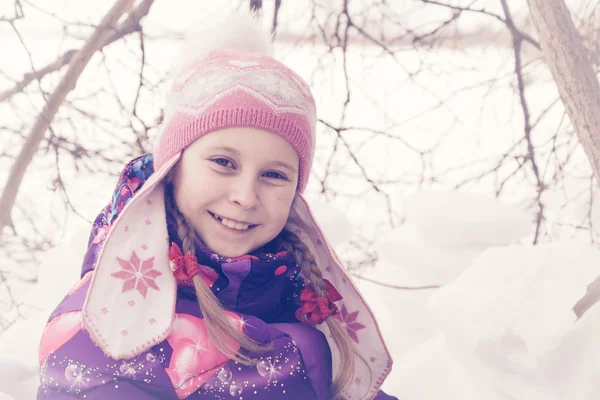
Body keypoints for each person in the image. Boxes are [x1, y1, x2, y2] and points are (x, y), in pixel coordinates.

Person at [37, 13, 396, 400]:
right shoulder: (111, 324)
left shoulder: (298, 293)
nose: (245, 195)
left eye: (274, 175)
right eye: (224, 163)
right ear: (172, 168)